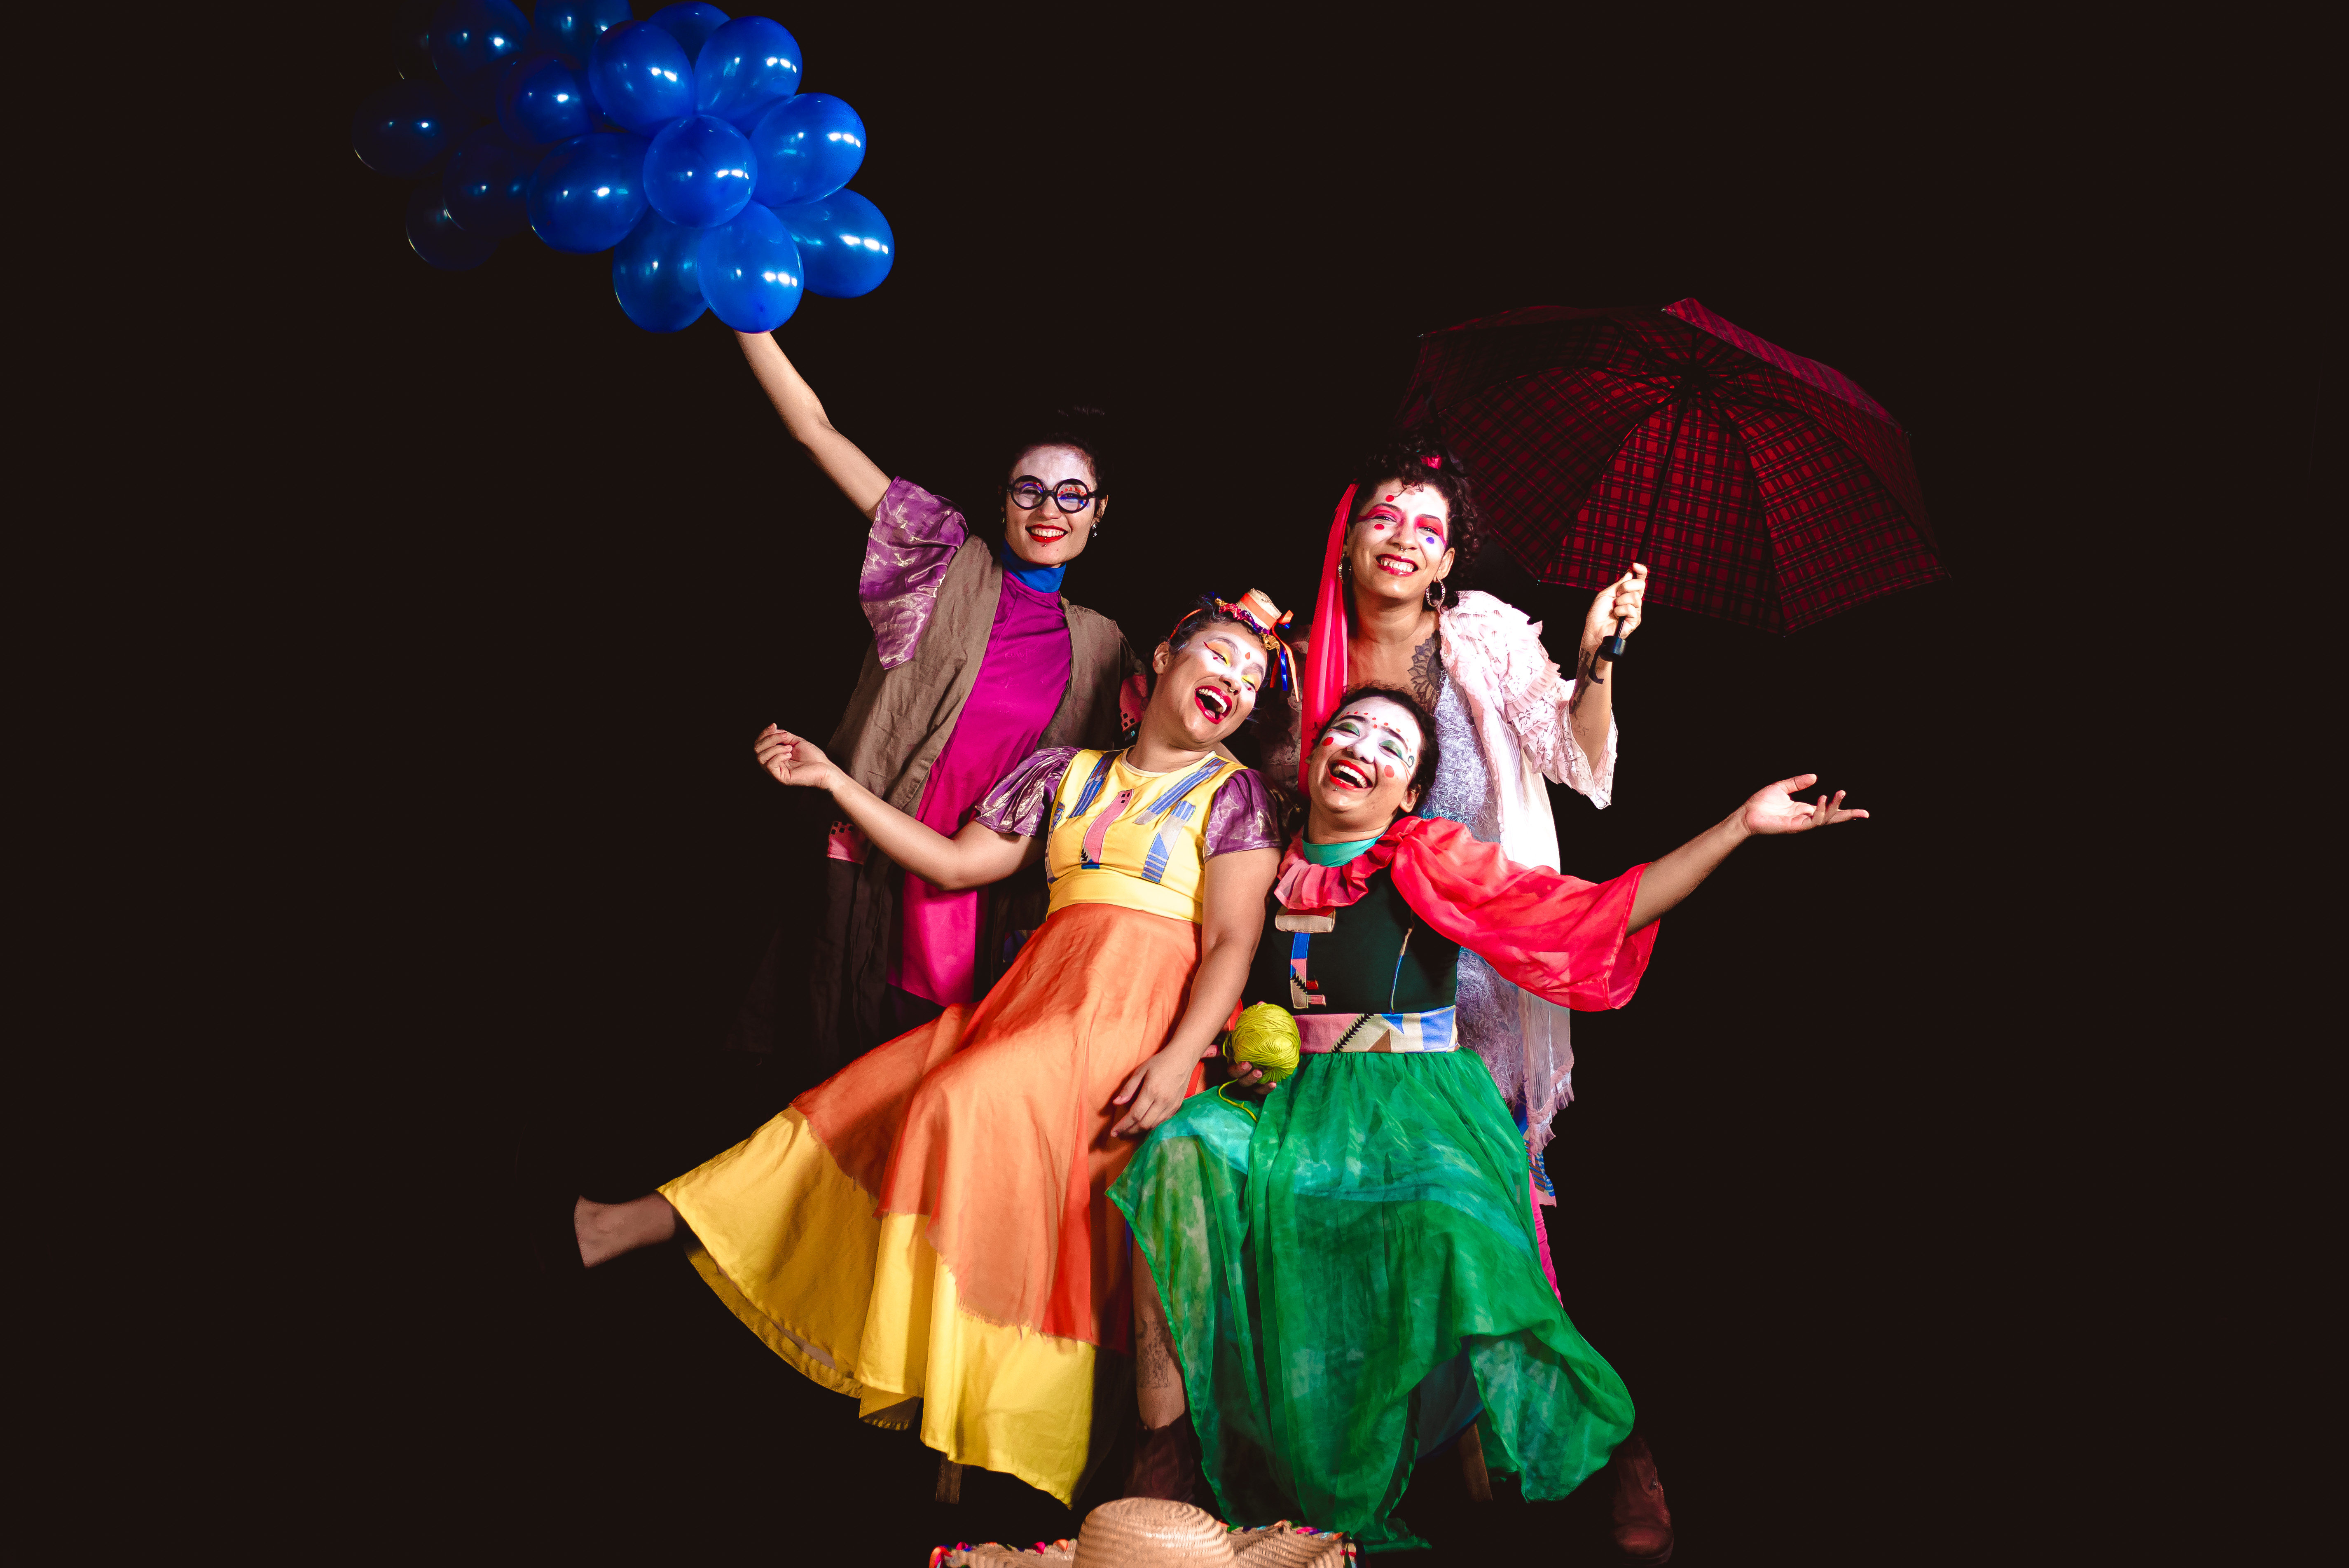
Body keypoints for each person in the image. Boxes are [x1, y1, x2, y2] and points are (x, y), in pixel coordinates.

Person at [572, 594, 1298, 1507]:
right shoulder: (1064, 773)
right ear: (1163, 658)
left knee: (956, 1104)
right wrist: (836, 782)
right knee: (860, 1105)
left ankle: (961, 1421)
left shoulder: (1236, 796)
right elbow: (956, 864)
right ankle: (631, 1224)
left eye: (1251, 679)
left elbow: (1231, 941)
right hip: (1034, 1000)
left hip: (1131, 1026)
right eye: (1220, 655)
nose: (1234, 681)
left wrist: (1177, 1054)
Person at [1114, 686, 1864, 1552]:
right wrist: (1245, 1047)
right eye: (1347, 729)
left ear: (1408, 793)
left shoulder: (1425, 854)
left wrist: (1737, 826)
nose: (1361, 747)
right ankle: (1164, 1443)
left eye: (1392, 745)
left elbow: (1591, 914)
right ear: (1313, 755)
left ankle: (1614, 1446)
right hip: (1291, 1103)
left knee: (1455, 1231)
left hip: (1412, 1102)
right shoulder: (1260, 855)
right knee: (1177, 1151)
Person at [725, 330, 1145, 1072]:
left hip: (973, 905)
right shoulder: (940, 560)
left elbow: (1180, 748)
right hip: (861, 866)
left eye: (1073, 494)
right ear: (1003, 500)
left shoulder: (1105, 648)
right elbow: (815, 431)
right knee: (819, 1063)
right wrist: (743, 314)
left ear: (1099, 511)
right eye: (1028, 489)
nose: (1048, 509)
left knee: (927, 1082)